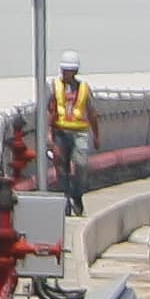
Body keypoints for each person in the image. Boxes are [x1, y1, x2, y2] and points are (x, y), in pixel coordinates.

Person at [49, 53, 96, 199]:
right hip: (61, 132)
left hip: (80, 132)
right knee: (62, 167)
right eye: (64, 70)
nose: (66, 74)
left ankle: (77, 194)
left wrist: (96, 135)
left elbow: (92, 113)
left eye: (69, 71)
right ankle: (65, 197)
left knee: (81, 164)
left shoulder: (84, 88)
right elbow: (49, 111)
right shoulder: (54, 87)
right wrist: (49, 134)